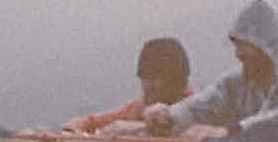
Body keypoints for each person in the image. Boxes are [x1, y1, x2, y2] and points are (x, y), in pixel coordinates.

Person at [144, 0, 278, 140]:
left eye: (244, 46)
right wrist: (168, 115)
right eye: (236, 46)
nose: (238, 54)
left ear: (266, 46)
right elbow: (203, 104)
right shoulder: (234, 84)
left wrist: (231, 131)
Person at [60, 37, 192, 135]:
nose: (153, 86)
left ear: (179, 82)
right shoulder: (138, 109)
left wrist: (141, 128)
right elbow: (90, 122)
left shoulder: (200, 113)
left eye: (160, 79)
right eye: (147, 79)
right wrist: (70, 131)